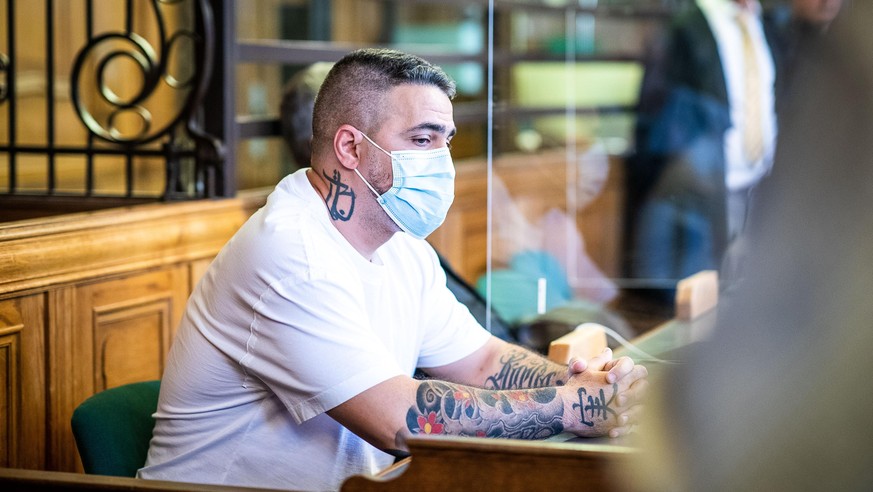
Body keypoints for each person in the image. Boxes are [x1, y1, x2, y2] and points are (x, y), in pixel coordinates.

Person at [138, 48, 648, 491]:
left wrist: (592, 385)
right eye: (424, 140)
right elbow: (400, 422)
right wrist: (568, 407)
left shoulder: (403, 247)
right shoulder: (290, 255)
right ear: (350, 147)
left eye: (446, 140)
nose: (443, 161)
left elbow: (481, 361)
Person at [632, 4, 873, 489]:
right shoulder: (685, 31)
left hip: (763, 203)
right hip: (697, 210)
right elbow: (664, 143)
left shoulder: (774, 28)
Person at [624, 0, 783, 307]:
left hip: (759, 189)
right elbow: (657, 123)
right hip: (700, 200)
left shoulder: (764, 25)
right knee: (698, 305)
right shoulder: (684, 28)